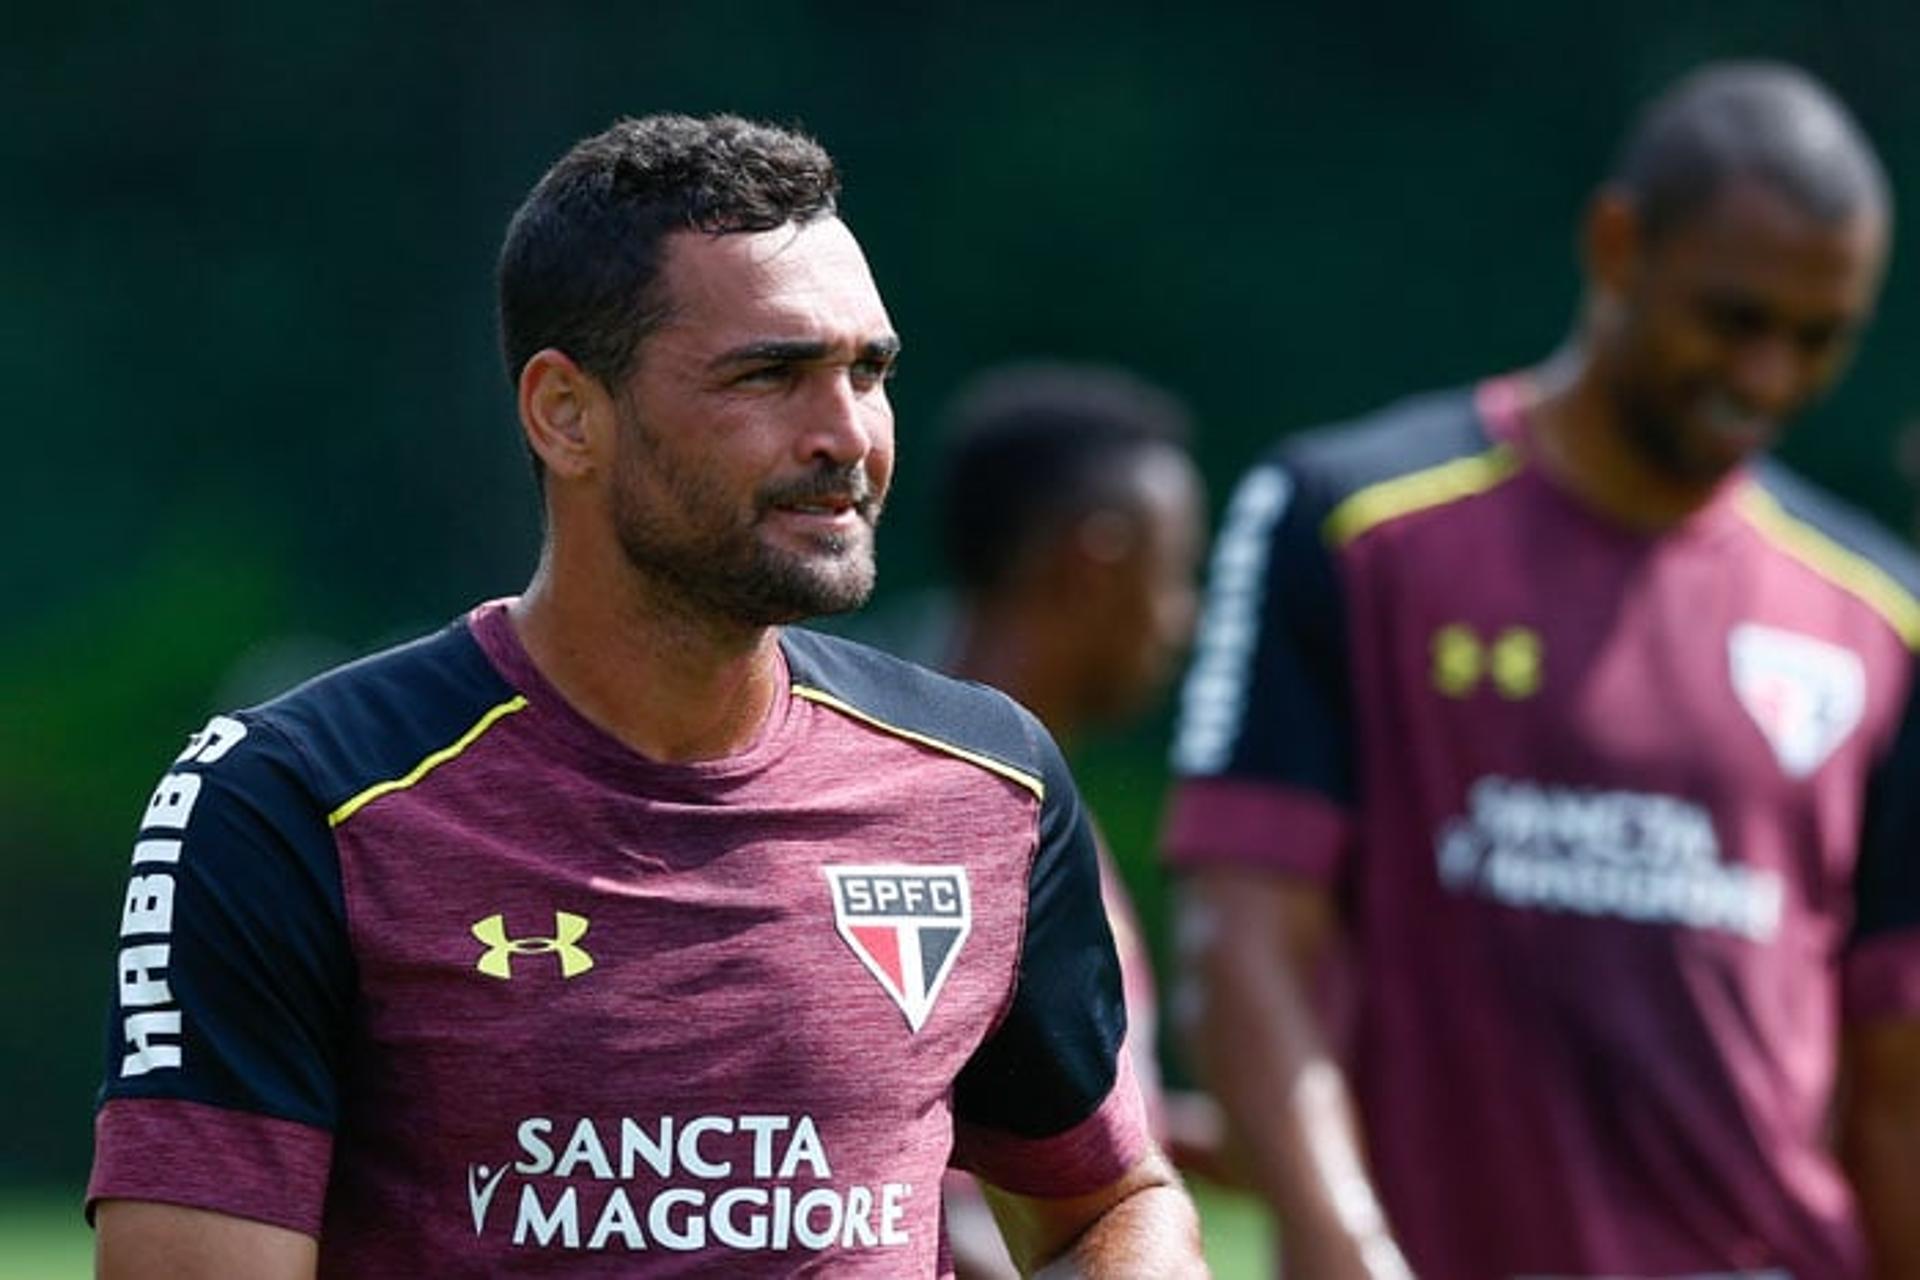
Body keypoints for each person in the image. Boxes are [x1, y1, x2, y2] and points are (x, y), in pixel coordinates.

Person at [86, 113, 1206, 1278]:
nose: (846, 435)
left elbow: (1110, 1201)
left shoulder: (988, 785)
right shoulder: (291, 800)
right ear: (566, 413)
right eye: (770, 374)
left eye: (867, 372)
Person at [1166, 62, 1920, 1279]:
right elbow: (1242, 944)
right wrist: (1340, 1243)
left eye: (1817, 338)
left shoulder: (1884, 616)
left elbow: (1900, 1075)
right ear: (1619, 246)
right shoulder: (1355, 523)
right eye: (1734, 319)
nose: (1768, 377)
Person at [928, 363, 1233, 1277]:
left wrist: (1187, 1138)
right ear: (1091, 565)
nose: (1186, 621)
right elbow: (889, 1189)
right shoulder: (936, 820)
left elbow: (982, 1111)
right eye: (1177, 576)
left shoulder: (1034, 810)